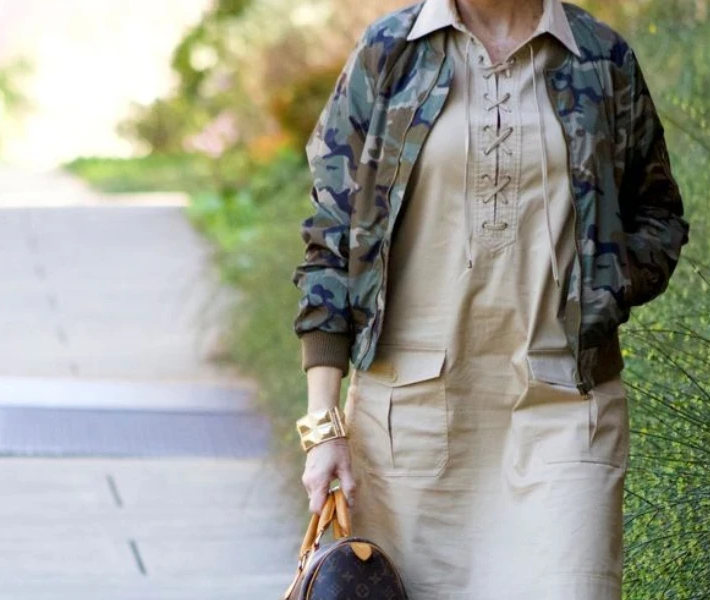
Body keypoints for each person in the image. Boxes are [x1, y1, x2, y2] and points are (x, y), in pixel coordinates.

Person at [291, 0, 689, 597]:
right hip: (410, 425)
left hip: (562, 409)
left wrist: (605, 287)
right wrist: (325, 427)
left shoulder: (600, 58)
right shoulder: (391, 53)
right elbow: (331, 236)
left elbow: (657, 213)